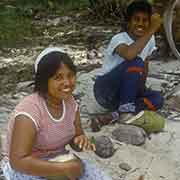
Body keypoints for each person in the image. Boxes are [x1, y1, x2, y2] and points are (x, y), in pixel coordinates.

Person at [1, 47, 112, 180]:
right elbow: (18, 161)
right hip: (27, 166)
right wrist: (64, 169)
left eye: (70, 75)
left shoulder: (71, 103)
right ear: (44, 81)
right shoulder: (29, 111)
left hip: (57, 158)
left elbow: (76, 140)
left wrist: (80, 140)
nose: (67, 83)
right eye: (58, 77)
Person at [90, 0, 164, 131]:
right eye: (136, 19)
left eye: (145, 20)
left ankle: (115, 115)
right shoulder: (119, 38)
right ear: (128, 22)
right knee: (136, 61)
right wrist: (152, 29)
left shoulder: (149, 40)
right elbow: (130, 55)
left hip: (125, 95)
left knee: (157, 99)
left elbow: (144, 69)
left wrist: (141, 92)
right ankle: (125, 111)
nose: (141, 23)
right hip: (106, 90)